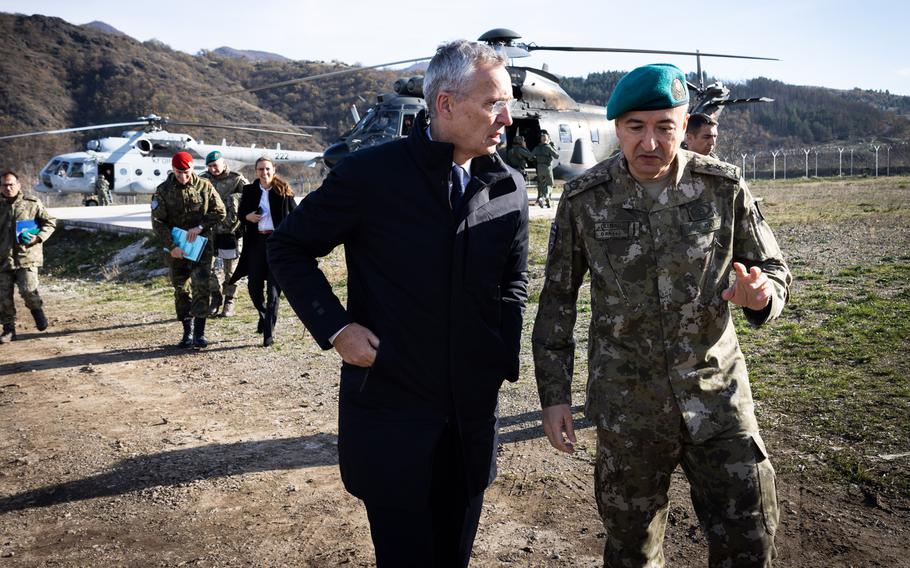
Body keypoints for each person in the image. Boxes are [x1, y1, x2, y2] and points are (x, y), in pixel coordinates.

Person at [268, 39, 529, 567]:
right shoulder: (371, 175)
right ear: (446, 105)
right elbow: (288, 247)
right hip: (392, 416)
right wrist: (337, 329)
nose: (506, 117)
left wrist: (498, 353)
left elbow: (512, 283)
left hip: (470, 419)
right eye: (492, 103)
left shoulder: (508, 186)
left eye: (508, 103)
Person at [533, 63, 792, 567]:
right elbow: (557, 302)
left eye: (664, 127)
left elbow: (773, 267)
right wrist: (554, 396)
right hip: (629, 410)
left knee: (751, 540)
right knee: (633, 550)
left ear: (682, 125)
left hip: (719, 403)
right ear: (617, 128)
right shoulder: (585, 200)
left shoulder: (723, 186)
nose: (649, 142)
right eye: (636, 127)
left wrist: (762, 295)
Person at [151, 151, 225, 349]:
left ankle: (199, 335)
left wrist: (200, 227)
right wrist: (172, 246)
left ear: (192, 167)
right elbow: (158, 222)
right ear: (172, 169)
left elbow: (219, 211)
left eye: (185, 171)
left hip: (201, 247)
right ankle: (187, 332)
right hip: (177, 250)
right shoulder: (163, 191)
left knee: (201, 287)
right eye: (178, 172)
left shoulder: (204, 186)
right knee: (181, 290)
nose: (182, 176)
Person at [233, 157, 296, 347]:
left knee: (274, 292)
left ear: (273, 169)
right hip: (256, 243)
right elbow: (241, 214)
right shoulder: (250, 190)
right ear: (256, 171)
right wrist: (247, 217)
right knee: (253, 288)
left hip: (277, 244)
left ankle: (268, 335)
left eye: (267, 169)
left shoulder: (283, 190)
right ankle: (263, 314)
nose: (264, 172)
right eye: (260, 169)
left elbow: (296, 216)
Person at [0, 171, 56, 343]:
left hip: (27, 257)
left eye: (11, 184)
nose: (8, 188)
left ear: (18, 185)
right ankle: (9, 330)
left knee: (28, 291)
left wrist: (38, 237)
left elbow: (50, 222)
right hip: (2, 260)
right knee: (3, 297)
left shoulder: (32, 204)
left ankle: (38, 313)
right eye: (4, 185)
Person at [201, 150, 248, 317]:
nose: (213, 169)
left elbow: (250, 198)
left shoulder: (236, 179)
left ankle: (229, 300)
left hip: (230, 231)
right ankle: (215, 297)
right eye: (210, 166)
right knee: (208, 268)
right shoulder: (203, 180)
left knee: (230, 270)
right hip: (210, 231)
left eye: (215, 165)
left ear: (222, 162)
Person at [531, 131, 559, 207]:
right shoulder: (548, 147)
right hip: (547, 168)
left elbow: (530, 157)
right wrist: (553, 146)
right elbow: (556, 156)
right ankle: (543, 198)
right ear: (547, 140)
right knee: (550, 184)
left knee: (541, 184)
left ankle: (542, 199)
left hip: (539, 168)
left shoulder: (536, 148)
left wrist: (536, 159)